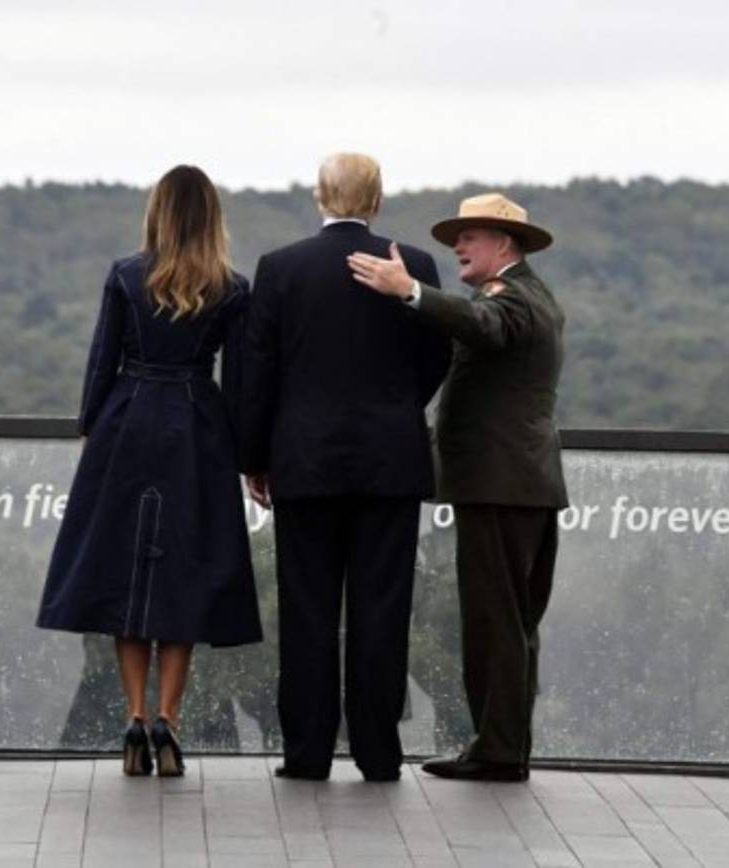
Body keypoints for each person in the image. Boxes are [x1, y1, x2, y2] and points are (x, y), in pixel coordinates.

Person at [37, 165, 262, 777]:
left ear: (158, 212)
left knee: (125, 573)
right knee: (183, 576)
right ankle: (169, 717)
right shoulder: (232, 288)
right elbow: (239, 383)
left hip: (127, 422)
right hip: (197, 428)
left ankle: (133, 717)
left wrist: (92, 428)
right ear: (212, 216)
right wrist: (249, 458)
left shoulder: (125, 275)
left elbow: (101, 362)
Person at [241, 153, 451, 781]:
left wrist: (255, 458)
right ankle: (378, 752)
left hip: (304, 463)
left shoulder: (281, 269)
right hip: (389, 461)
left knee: (306, 610)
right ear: (378, 200)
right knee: (381, 609)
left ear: (318, 197)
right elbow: (436, 354)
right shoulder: (413, 265)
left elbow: (258, 372)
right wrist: (395, 411)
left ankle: (306, 753)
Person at [348, 192, 567, 782]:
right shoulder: (523, 296)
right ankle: (500, 745)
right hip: (517, 485)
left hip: (503, 486)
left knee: (496, 623)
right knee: (509, 625)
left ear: (505, 243)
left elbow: (486, 326)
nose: (458, 247)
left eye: (469, 237)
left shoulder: (515, 298)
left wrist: (409, 292)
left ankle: (497, 752)